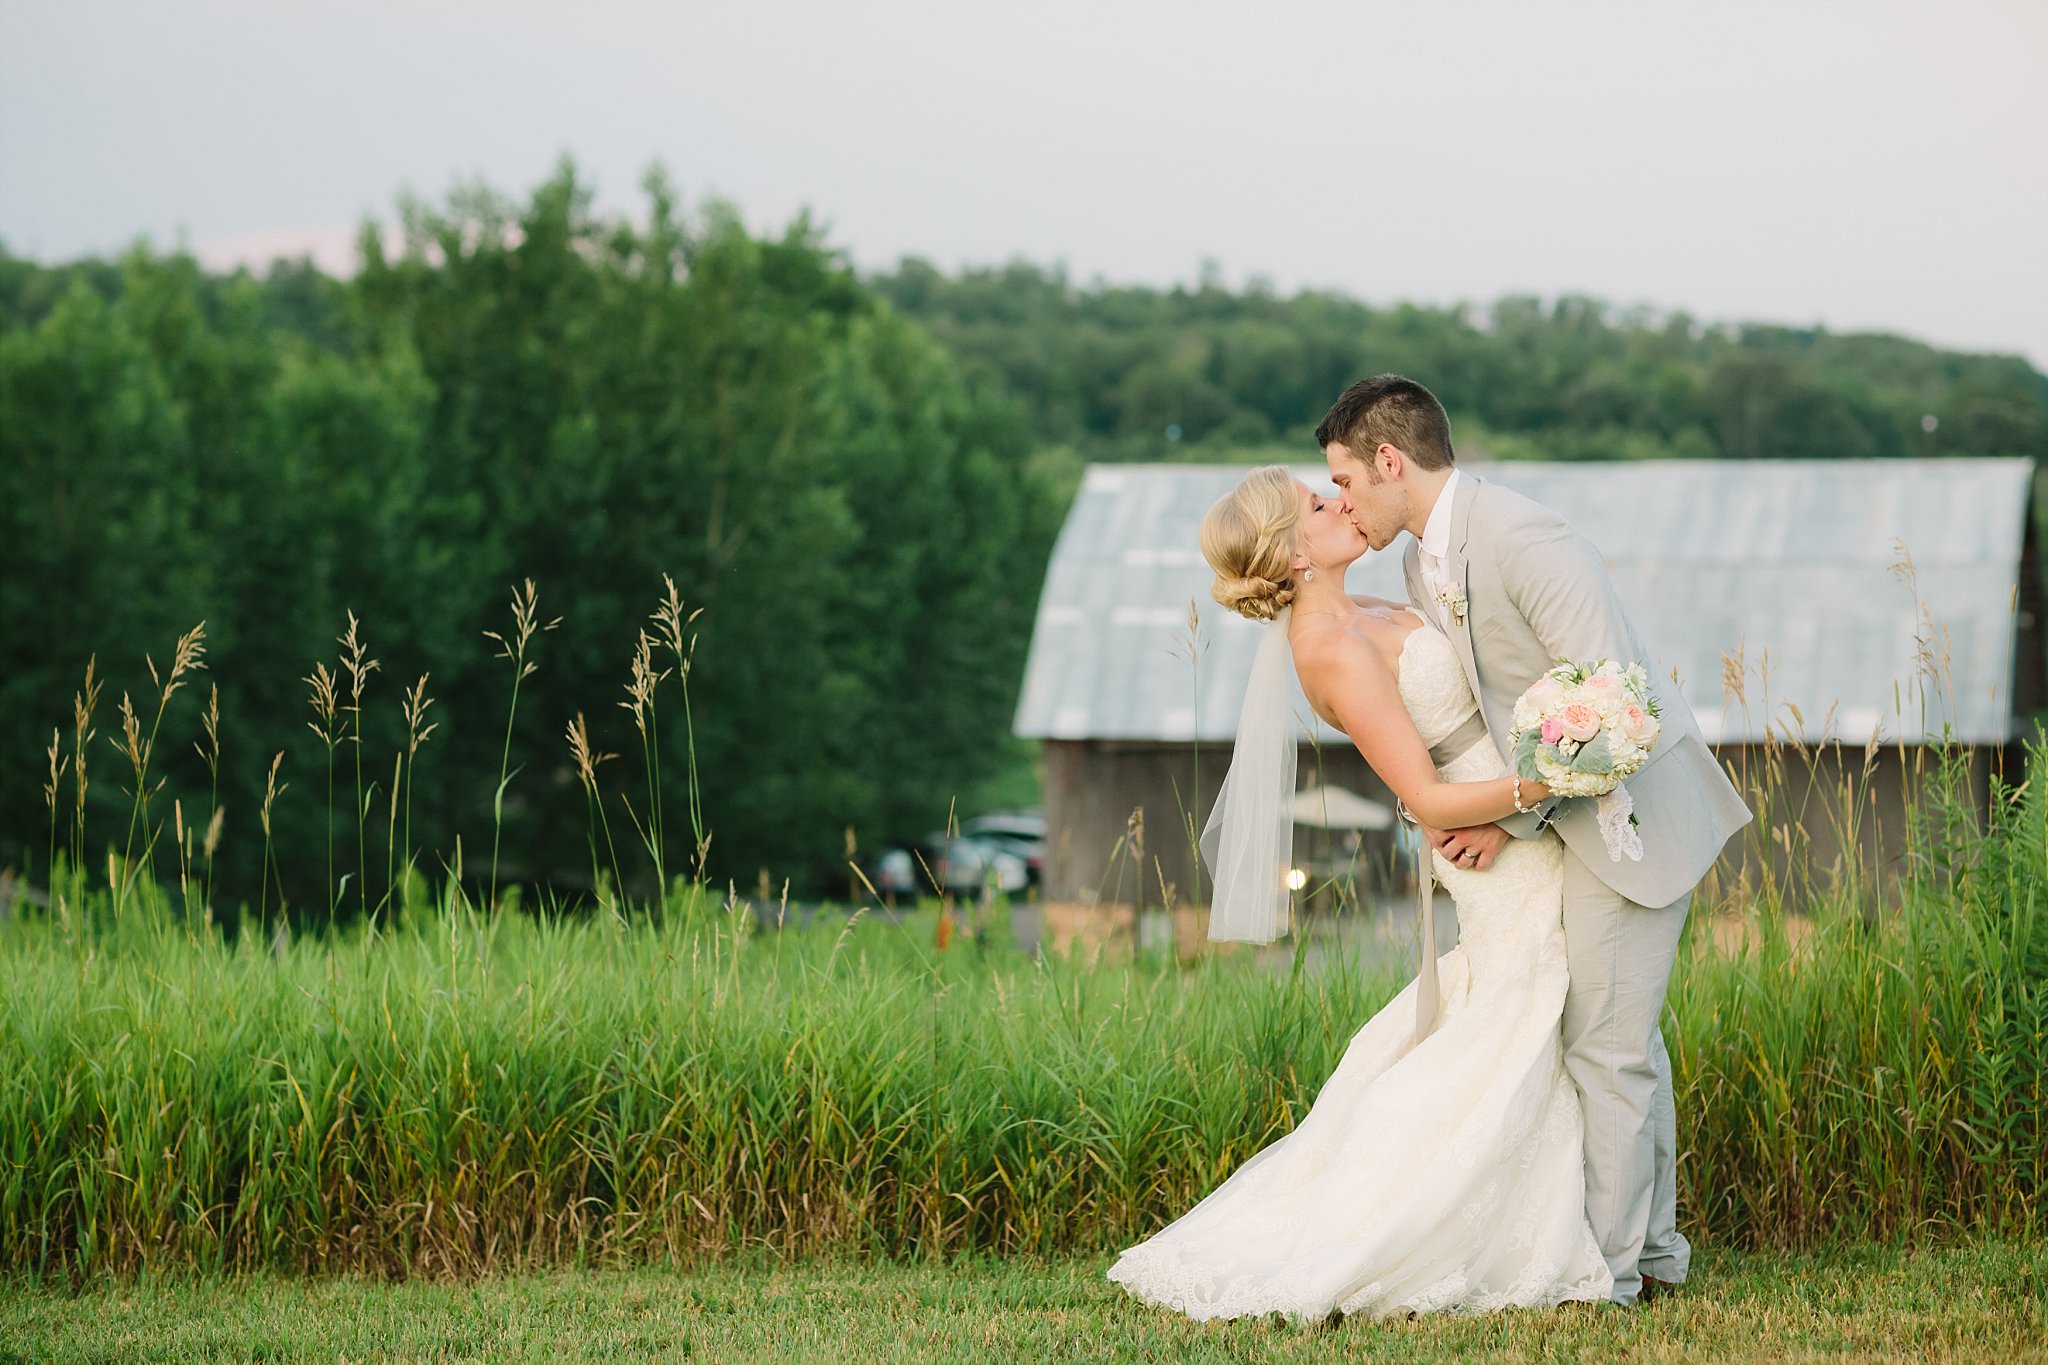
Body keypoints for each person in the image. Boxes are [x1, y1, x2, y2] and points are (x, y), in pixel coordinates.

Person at [1108, 464, 1612, 1320]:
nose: (1338, 501)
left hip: (1511, 812)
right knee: (1526, 1003)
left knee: (1539, 1008)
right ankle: (1469, 1223)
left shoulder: (1374, 606)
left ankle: (1589, 1214)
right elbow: (1425, 799)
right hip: (1492, 835)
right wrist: (1553, 777)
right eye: (1315, 503)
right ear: (1292, 552)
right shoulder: (1331, 650)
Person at [1322, 375, 1751, 1307]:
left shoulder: (1524, 537)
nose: (1343, 503)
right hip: (1564, 822)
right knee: (1620, 1043)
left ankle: (1610, 1273)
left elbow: (1613, 705)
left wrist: (1503, 815)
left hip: (1628, 822)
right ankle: (1655, 1251)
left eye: (1345, 481)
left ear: (1389, 460)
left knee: (1608, 1048)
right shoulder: (1416, 563)